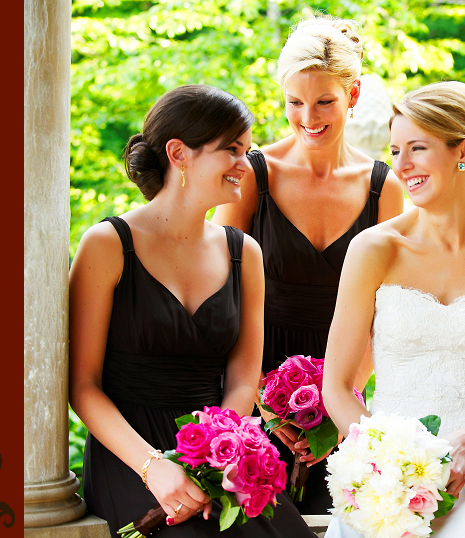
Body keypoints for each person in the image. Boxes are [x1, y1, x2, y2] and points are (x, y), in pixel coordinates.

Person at [69, 85, 315, 538]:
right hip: (131, 452)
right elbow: (82, 386)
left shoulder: (246, 254)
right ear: (179, 153)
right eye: (232, 150)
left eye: (248, 150)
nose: (246, 164)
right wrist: (153, 467)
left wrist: (220, 458)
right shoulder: (106, 245)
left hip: (218, 449)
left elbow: (243, 380)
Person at [321, 81, 465, 537]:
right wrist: (390, 464)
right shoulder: (374, 248)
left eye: (417, 149)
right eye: (395, 150)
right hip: (384, 474)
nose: (400, 166)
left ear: (464, 149)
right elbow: (338, 387)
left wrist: (464, 446)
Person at [211, 17, 404, 514]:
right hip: (252, 382)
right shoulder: (252, 174)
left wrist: (338, 402)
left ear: (354, 95)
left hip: (347, 387)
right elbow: (221, 295)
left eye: (325, 101)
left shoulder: (385, 188)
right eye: (295, 102)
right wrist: (268, 406)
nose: (308, 116)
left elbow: (391, 309)